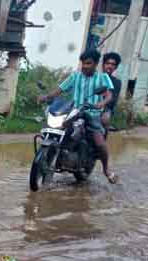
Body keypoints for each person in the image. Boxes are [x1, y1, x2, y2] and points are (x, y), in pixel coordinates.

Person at [38, 49, 116, 183]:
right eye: (83, 63)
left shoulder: (103, 78)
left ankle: (106, 169)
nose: (84, 66)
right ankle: (57, 154)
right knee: (57, 128)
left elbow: (109, 95)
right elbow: (59, 90)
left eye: (88, 63)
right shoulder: (75, 76)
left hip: (91, 114)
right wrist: (46, 97)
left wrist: (101, 103)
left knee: (99, 142)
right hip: (73, 112)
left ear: (96, 64)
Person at [101, 52, 122, 130]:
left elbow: (113, 98)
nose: (110, 66)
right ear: (103, 65)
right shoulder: (95, 77)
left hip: (105, 109)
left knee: (105, 119)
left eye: (113, 64)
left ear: (115, 67)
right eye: (107, 63)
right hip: (88, 106)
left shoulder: (117, 82)